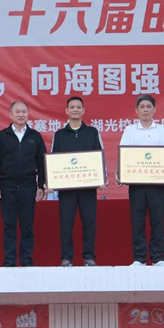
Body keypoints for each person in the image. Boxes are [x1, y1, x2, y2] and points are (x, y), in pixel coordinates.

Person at [0, 100, 46, 267]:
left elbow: (42, 163)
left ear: (28, 114)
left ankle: (27, 260)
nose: (21, 115)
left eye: (24, 112)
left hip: (29, 186)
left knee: (27, 226)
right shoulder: (2, 136)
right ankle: (10, 260)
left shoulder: (35, 136)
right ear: (10, 114)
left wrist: (41, 186)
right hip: (7, 187)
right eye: (17, 112)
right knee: (9, 226)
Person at [120, 94, 164, 267]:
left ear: (154, 109)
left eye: (148, 107)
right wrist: (122, 172)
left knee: (157, 221)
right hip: (137, 184)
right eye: (142, 107)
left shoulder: (163, 130)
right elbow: (124, 155)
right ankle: (139, 258)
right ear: (136, 110)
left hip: (157, 184)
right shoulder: (130, 130)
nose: (145, 110)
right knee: (138, 221)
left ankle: (158, 258)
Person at [51, 96, 105, 267]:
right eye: (72, 107)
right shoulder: (59, 135)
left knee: (89, 222)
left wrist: (102, 178)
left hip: (88, 187)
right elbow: (54, 159)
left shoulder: (92, 132)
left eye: (78, 107)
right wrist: (51, 182)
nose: (75, 110)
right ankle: (67, 257)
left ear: (83, 110)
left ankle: (89, 257)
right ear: (66, 111)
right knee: (66, 223)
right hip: (66, 188)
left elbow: (99, 156)